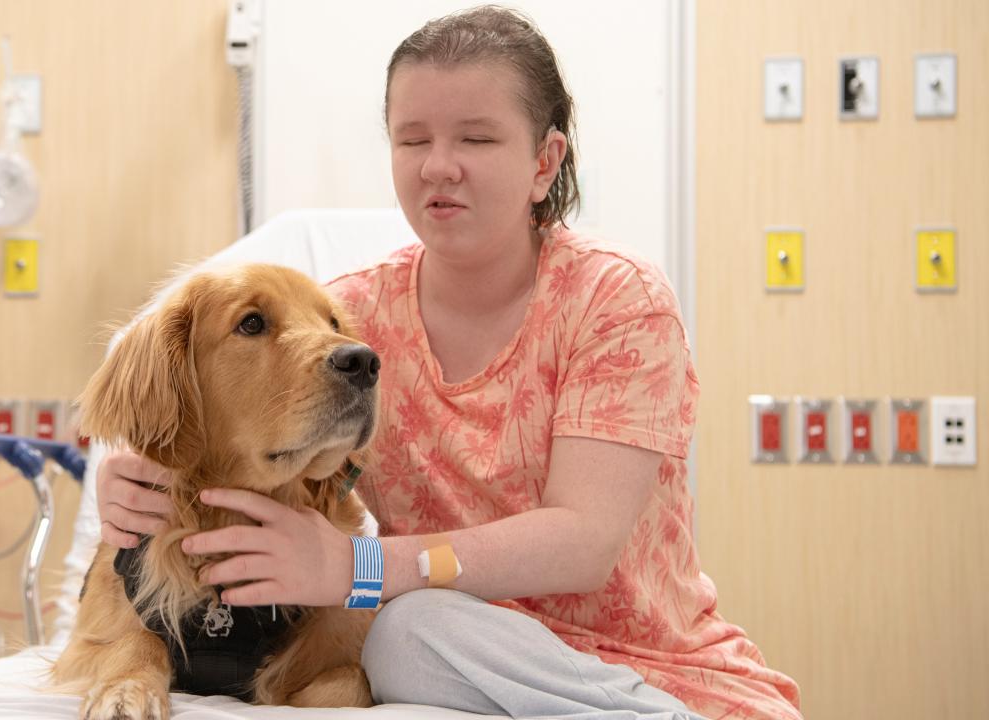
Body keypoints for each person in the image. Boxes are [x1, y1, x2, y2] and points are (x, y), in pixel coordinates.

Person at [94, 6, 801, 719]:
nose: (438, 165)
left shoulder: (619, 301)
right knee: (402, 639)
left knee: (407, 625)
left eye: (477, 137)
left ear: (544, 162)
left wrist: (358, 569)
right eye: (412, 139)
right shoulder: (347, 322)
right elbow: (233, 443)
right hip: (448, 675)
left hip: (642, 674)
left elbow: (583, 541)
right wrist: (133, 484)